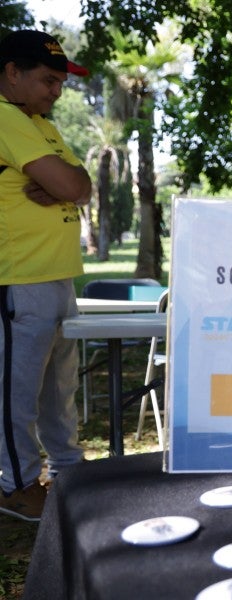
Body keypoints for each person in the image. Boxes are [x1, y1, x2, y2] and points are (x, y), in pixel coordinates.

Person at [0, 30, 92, 522]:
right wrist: (62, 183)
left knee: (60, 389)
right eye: (47, 80)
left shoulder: (41, 126)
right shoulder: (5, 116)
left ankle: (68, 471)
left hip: (58, 276)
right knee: (17, 392)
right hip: (19, 278)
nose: (57, 91)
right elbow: (68, 182)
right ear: (11, 72)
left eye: (61, 82)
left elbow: (81, 185)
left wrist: (64, 185)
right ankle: (15, 484)